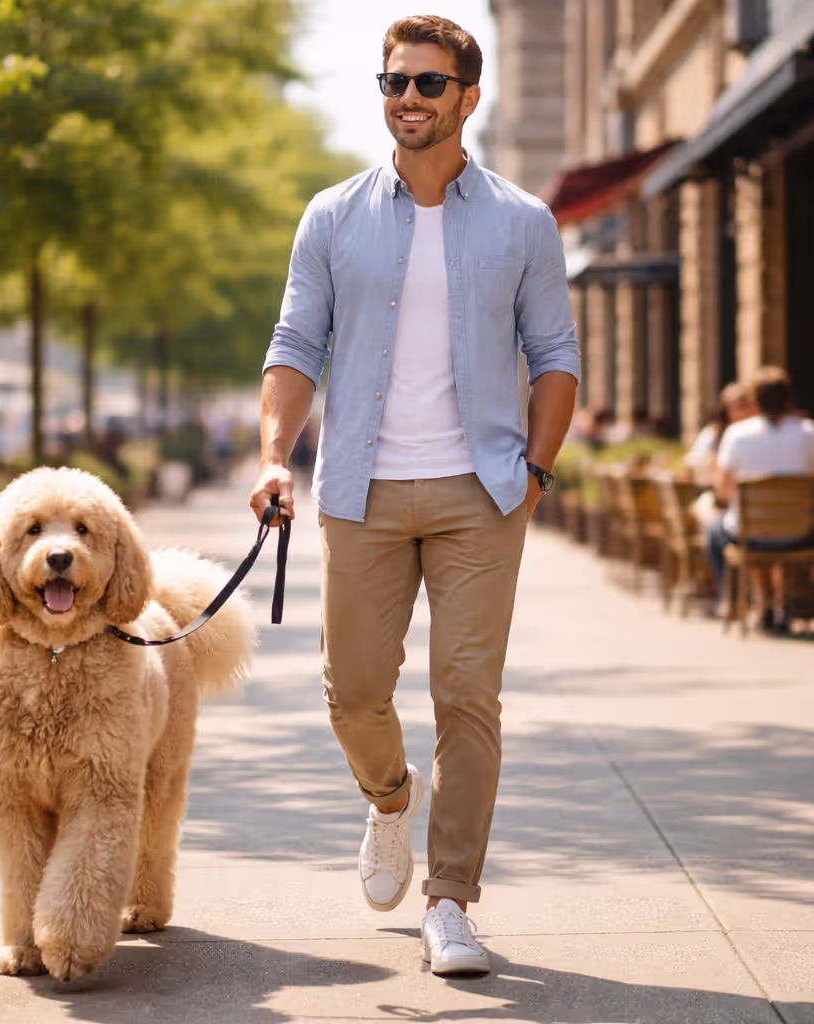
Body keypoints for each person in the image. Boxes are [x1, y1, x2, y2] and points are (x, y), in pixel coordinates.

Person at [249, 15, 580, 980]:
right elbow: (293, 346)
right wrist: (277, 456)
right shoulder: (333, 216)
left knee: (468, 698)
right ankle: (392, 801)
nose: (408, 99)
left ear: (468, 98)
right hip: (360, 488)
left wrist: (537, 468)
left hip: (482, 493)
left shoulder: (522, 220)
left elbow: (555, 356)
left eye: (429, 85)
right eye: (394, 83)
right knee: (352, 691)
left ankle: (451, 902)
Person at [705, 367, 814, 632]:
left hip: (752, 534)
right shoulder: (809, 431)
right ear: (788, 399)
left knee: (717, 529)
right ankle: (780, 601)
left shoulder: (737, 435)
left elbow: (722, 491)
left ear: (754, 401)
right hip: (802, 531)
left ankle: (762, 600)